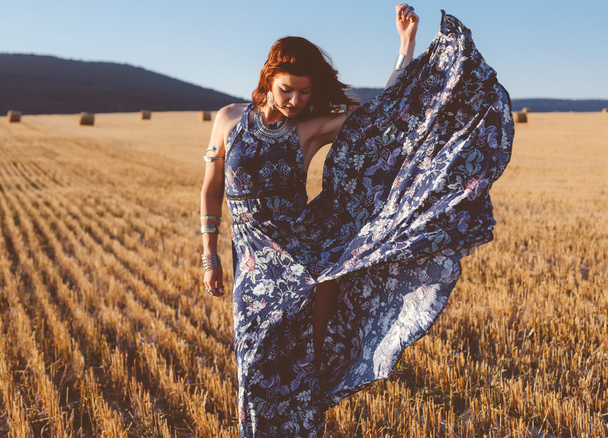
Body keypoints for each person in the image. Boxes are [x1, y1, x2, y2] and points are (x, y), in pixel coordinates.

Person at [200, 4, 513, 437]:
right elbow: (210, 188)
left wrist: (405, 48)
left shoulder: (307, 129)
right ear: (268, 79)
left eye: (306, 93)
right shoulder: (227, 119)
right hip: (251, 266)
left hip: (301, 259)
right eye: (287, 90)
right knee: (252, 362)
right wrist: (209, 256)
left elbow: (384, 116)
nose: (296, 101)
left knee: (301, 365)